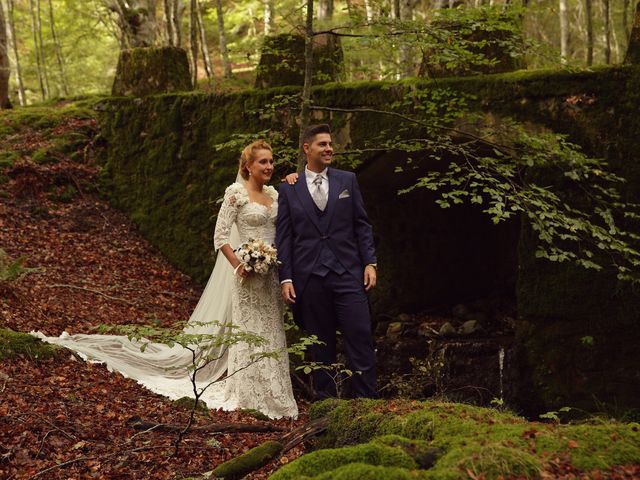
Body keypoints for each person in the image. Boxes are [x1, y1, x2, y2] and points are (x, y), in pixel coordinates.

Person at [32, 140, 298, 419]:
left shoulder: (276, 195)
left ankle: (277, 396)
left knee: (272, 332)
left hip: (271, 277)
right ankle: (249, 394)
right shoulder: (235, 194)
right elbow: (220, 236)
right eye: (263, 162)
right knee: (249, 333)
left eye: (271, 162)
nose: (269, 166)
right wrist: (238, 265)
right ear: (248, 166)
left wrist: (293, 180)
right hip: (246, 278)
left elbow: (287, 228)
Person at [276, 124, 378, 399]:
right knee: (320, 347)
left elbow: (362, 225)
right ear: (307, 148)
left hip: (348, 273)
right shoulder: (288, 189)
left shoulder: (348, 180)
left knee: (359, 337)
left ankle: (368, 405)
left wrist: (370, 262)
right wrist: (285, 277)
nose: (329, 148)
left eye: (330, 144)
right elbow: (283, 237)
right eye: (322, 144)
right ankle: (327, 408)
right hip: (309, 278)